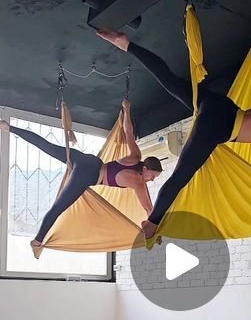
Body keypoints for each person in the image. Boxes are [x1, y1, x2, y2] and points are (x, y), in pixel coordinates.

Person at [97, 19, 251, 240]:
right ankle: (151, 223)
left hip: (222, 106)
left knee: (171, 82)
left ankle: (126, 44)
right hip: (217, 127)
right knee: (181, 176)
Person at [0, 99, 162, 257]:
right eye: (153, 176)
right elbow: (149, 209)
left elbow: (128, 132)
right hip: (87, 175)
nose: (152, 180)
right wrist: (155, 232)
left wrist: (127, 109)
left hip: (89, 160)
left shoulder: (135, 156)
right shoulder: (138, 182)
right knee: (58, 208)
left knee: (48, 147)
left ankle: (9, 128)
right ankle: (37, 241)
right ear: (146, 169)